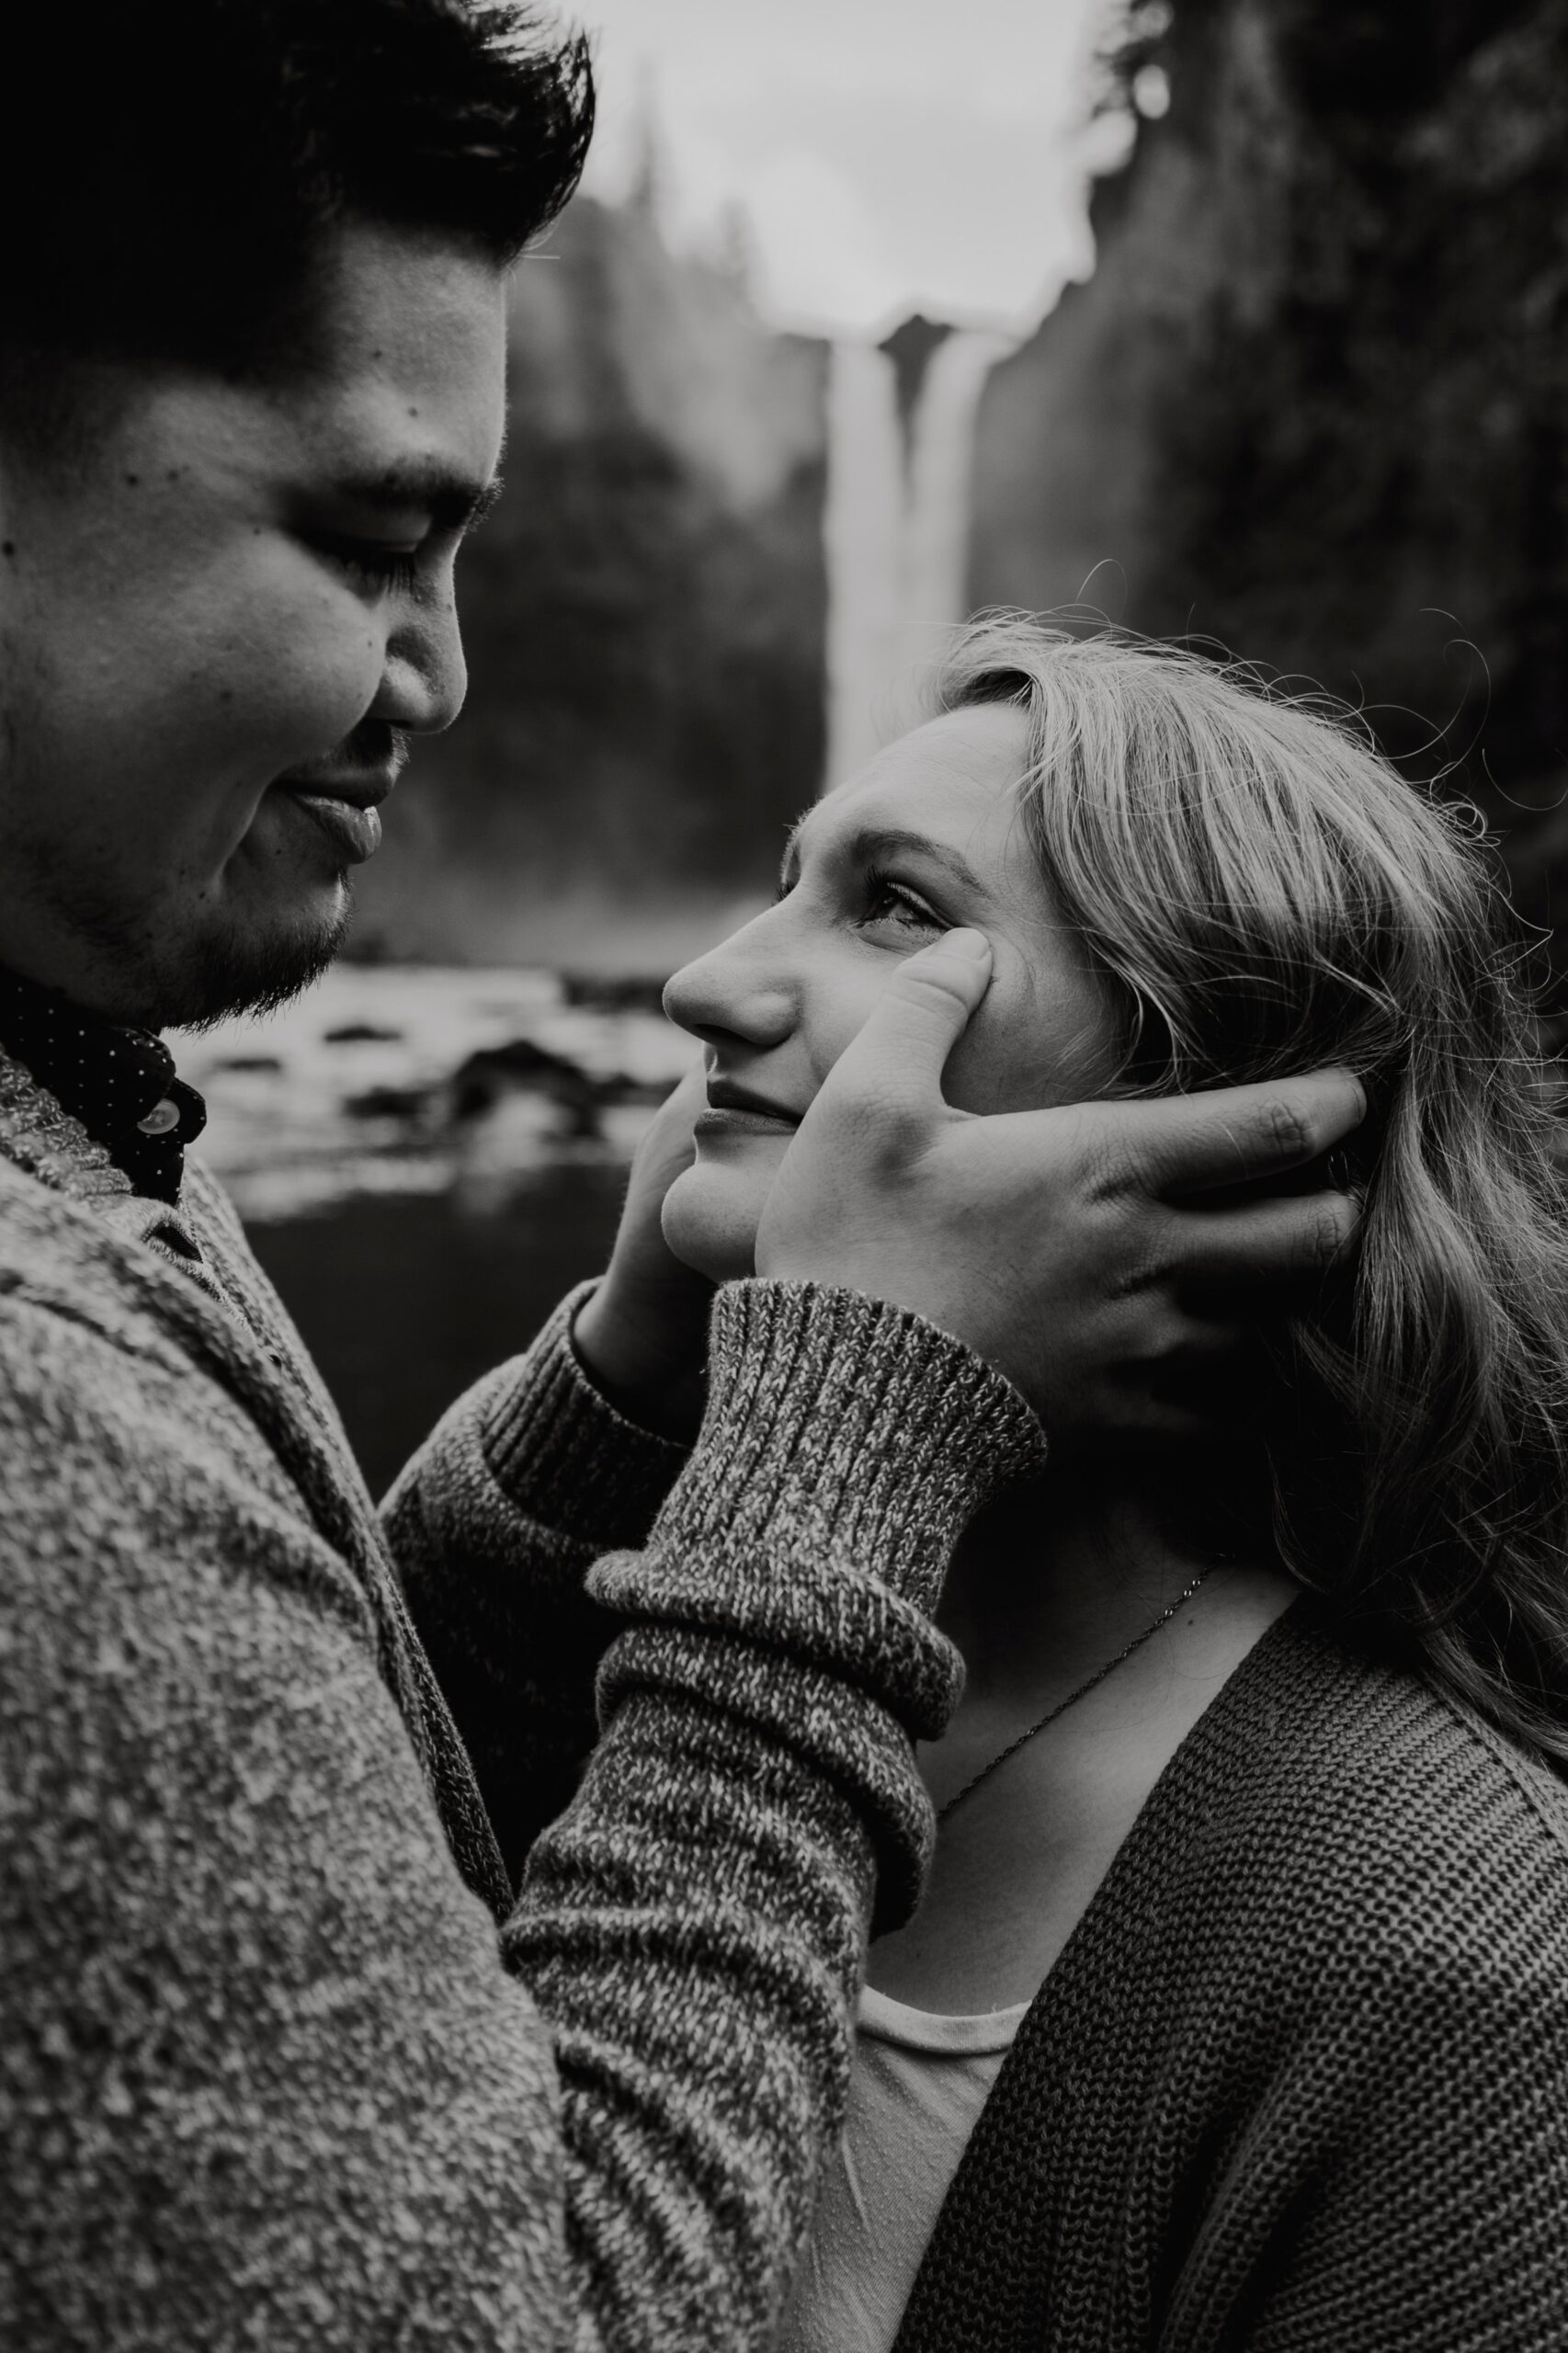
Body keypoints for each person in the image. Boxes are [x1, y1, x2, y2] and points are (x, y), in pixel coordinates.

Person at [0, 8, 1368, 2347]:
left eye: (900, 912)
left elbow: (268, 1842)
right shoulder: (44, 1423)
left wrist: (633, 1386)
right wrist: (840, 1439)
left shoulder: (67, 1089)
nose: (435, 669)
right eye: (368, 534)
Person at [638, 615, 1568, 2352]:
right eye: (783, 882)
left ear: (1201, 1101)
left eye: (895, 909)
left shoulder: (1458, 1967)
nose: (705, 981)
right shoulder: (651, 1644)